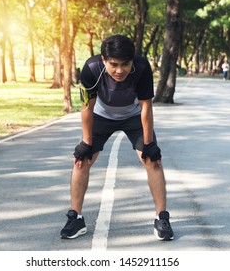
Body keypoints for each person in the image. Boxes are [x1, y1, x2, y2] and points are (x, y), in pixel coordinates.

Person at [60, 35, 174, 241]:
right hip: (102, 116)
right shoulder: (91, 68)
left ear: (132, 61)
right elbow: (87, 106)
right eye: (113, 65)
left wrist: (149, 144)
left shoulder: (141, 67)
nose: (119, 70)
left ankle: (162, 217)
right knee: (80, 161)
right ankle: (75, 217)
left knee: (152, 160)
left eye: (125, 64)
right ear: (104, 60)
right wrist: (86, 143)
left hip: (133, 116)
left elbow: (146, 106)